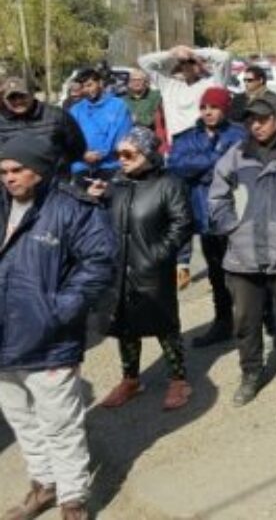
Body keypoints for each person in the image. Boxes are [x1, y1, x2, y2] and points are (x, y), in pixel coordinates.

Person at [0, 135, 116, 520]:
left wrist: (59, 310)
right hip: (4, 339)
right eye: (3, 171)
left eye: (17, 170)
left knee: (60, 425)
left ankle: (73, 500)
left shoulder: (73, 208)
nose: (9, 178)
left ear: (40, 170)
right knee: (22, 420)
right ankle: (44, 485)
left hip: (50, 340)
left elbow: (99, 261)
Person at [208, 92, 276, 407]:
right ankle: (251, 374)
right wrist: (232, 226)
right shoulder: (236, 154)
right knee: (245, 321)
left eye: (263, 119)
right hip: (242, 258)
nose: (255, 126)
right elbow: (217, 197)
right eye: (250, 120)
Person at [92, 128, 194, 412]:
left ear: (148, 155)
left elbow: (182, 224)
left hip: (152, 269)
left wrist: (157, 256)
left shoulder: (169, 183)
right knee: (124, 324)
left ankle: (178, 379)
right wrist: (95, 200)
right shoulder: (117, 183)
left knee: (165, 324)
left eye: (128, 154)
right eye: (118, 154)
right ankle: (131, 379)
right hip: (119, 267)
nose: (121, 159)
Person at [168, 87, 248, 348]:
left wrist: (202, 169)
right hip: (204, 215)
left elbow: (241, 168)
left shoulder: (240, 133)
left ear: (224, 108)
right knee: (216, 273)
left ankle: (262, 322)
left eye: (213, 107)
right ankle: (223, 322)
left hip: (235, 213)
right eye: (204, 107)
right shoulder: (186, 137)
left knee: (248, 272)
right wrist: (216, 160)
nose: (208, 112)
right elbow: (177, 168)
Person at [138, 45, 233, 141]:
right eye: (183, 62)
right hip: (176, 147)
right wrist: (173, 53)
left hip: (205, 146)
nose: (187, 65)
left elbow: (224, 57)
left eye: (192, 62)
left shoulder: (213, 84)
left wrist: (192, 52)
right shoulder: (169, 85)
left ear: (201, 64)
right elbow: (143, 62)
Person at [0, 76, 85, 170]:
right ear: (4, 100)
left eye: (22, 96)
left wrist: (58, 167)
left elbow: (77, 148)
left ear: (32, 94)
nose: (18, 101)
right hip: (13, 181)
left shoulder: (57, 116)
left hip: (54, 180)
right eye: (12, 98)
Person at [68, 68, 134, 181]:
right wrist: (82, 154)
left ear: (100, 83)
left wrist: (101, 154)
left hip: (111, 165)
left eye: (90, 85)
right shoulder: (75, 110)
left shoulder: (118, 105)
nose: (87, 90)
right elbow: (69, 137)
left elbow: (120, 135)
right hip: (82, 166)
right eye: (83, 87)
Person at [121, 68, 165, 138]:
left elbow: (153, 119)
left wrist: (137, 118)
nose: (136, 83)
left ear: (145, 82)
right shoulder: (123, 100)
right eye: (133, 80)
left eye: (139, 80)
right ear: (129, 83)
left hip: (150, 135)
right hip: (128, 135)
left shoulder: (155, 96)